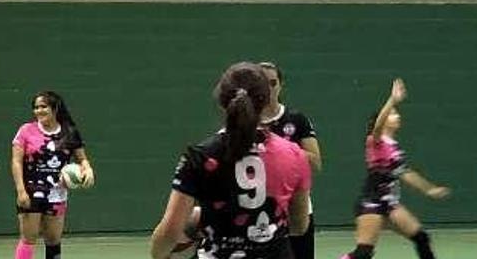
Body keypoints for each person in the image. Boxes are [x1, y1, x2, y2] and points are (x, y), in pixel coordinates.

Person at [151, 61, 312, 259]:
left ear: (221, 101)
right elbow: (299, 226)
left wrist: (160, 255)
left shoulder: (199, 157)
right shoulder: (295, 154)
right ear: (264, 100)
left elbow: (170, 232)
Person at [341, 78, 450, 259]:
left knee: (421, 238)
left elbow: (406, 173)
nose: (397, 116)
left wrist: (430, 189)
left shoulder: (394, 148)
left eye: (396, 113)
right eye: (393, 114)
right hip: (372, 201)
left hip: (390, 204)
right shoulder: (374, 141)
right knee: (363, 253)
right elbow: (377, 128)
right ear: (383, 121)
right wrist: (392, 100)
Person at [12, 91, 94, 259]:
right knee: (29, 238)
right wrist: (21, 190)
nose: (38, 111)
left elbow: (82, 159)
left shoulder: (69, 132)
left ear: (55, 108)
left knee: (53, 239)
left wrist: (87, 169)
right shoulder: (26, 130)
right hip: (31, 192)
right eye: (36, 107)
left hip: (57, 194)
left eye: (43, 107)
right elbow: (16, 162)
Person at [259, 61, 321, 259]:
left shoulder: (296, 119)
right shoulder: (245, 121)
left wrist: (280, 150)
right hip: (257, 211)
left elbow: (315, 162)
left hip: (295, 208)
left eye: (273, 82)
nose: (268, 89)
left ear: (280, 85)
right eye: (262, 83)